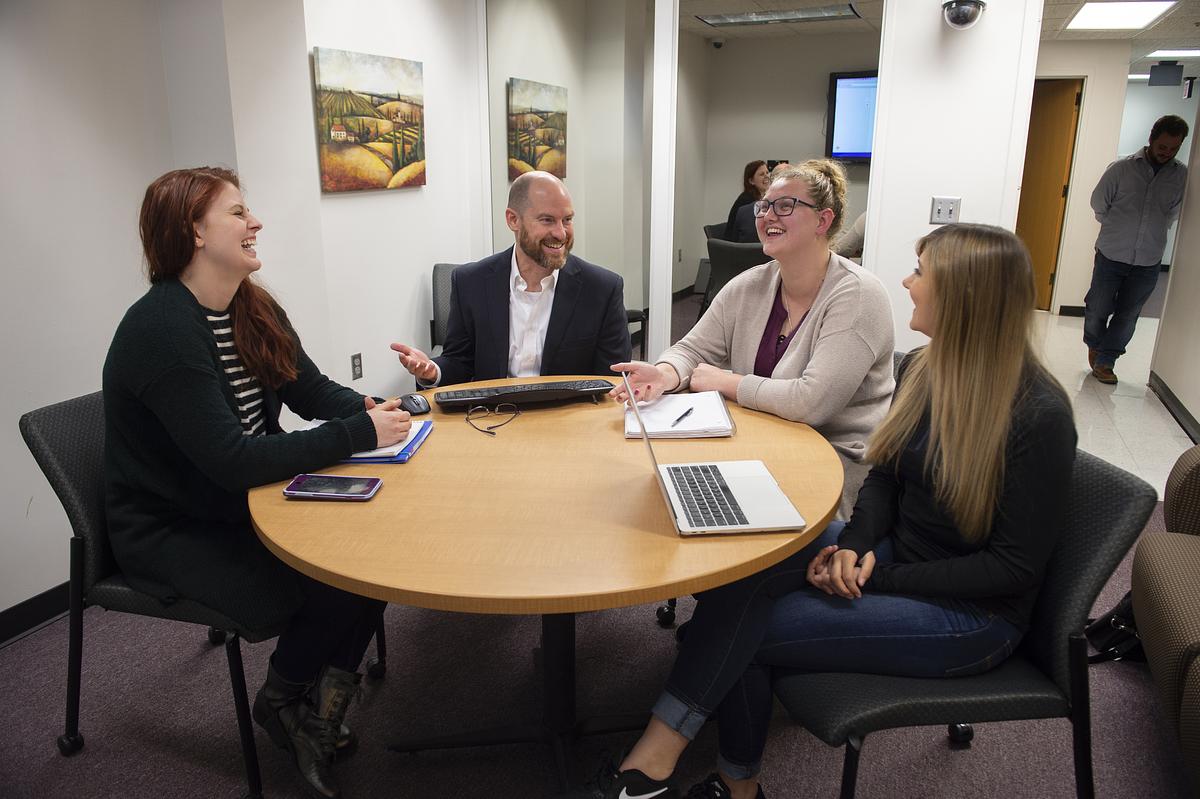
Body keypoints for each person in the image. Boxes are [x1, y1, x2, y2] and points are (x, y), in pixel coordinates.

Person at [572, 223, 1077, 799]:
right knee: (740, 572)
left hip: (972, 615)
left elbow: (1011, 570)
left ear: (962, 295)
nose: (908, 283)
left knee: (749, 632)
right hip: (898, 557)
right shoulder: (926, 367)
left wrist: (879, 573)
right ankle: (684, 767)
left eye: (921, 273)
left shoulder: (1039, 414)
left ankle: (692, 778)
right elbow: (887, 474)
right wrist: (854, 544)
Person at [104, 167, 412, 799]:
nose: (256, 223)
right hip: (175, 525)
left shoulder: (250, 304)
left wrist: (378, 409)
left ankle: (309, 709)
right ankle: (283, 702)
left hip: (245, 498)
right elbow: (233, 460)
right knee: (333, 584)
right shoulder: (162, 329)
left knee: (374, 562)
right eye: (239, 213)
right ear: (194, 231)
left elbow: (310, 390)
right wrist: (360, 435)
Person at [613, 159, 894, 517]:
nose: (767, 216)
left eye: (785, 206)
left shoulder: (857, 295)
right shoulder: (751, 285)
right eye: (764, 205)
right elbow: (693, 348)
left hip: (832, 467)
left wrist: (727, 381)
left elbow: (811, 403)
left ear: (823, 221)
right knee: (659, 495)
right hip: (759, 445)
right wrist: (667, 373)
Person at [391, 171, 631, 387]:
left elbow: (612, 380)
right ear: (513, 220)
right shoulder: (470, 283)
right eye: (547, 220)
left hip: (569, 422)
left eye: (567, 220)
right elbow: (460, 361)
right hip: (493, 420)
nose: (561, 233)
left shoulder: (601, 289)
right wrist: (433, 371)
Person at [1085, 113, 1189, 385]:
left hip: (1148, 259)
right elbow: (1099, 204)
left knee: (1129, 314)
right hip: (1111, 253)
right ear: (1151, 140)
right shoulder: (1121, 169)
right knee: (1097, 307)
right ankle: (1095, 345)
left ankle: (1107, 360)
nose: (1167, 153)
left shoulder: (1181, 177)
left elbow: (1176, 211)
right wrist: (1118, 227)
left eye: (1173, 149)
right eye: (1162, 146)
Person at [723, 160, 770, 240]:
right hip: (739, 247)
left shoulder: (763, 198)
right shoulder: (746, 201)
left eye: (767, 172)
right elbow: (752, 232)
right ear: (751, 181)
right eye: (762, 174)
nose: (766, 176)